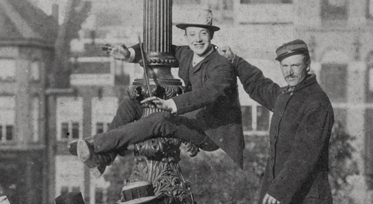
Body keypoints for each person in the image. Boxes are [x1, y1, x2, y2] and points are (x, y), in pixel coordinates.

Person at [219, 40, 342, 204]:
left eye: (295, 65)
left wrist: (279, 189)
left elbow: (305, 154)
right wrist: (235, 61)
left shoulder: (317, 102)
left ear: (307, 65)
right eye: (285, 66)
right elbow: (260, 86)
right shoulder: (287, 96)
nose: (289, 71)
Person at [69, 9, 244, 176]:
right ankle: (103, 158)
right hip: (194, 119)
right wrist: (128, 53)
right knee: (133, 104)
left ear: (211, 35)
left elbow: (208, 93)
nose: (197, 39)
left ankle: (94, 143)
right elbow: (156, 49)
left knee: (160, 120)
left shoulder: (222, 64)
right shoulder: (187, 54)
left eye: (203, 34)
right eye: (192, 34)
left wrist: (170, 104)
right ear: (186, 36)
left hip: (212, 134)